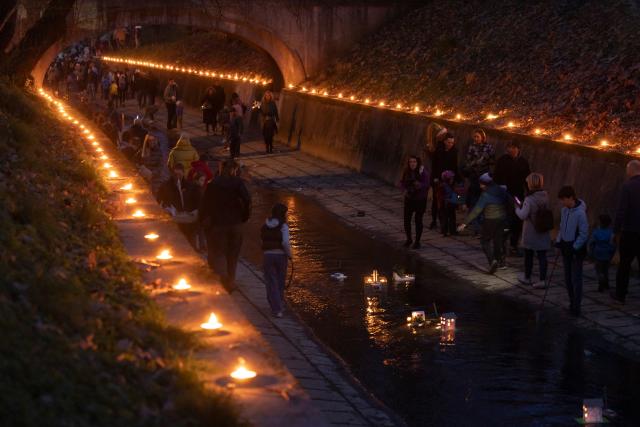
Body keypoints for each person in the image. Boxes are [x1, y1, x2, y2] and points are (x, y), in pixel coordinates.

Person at [199, 160, 252, 291]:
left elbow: (205, 204)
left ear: (221, 169)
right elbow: (247, 200)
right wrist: (244, 217)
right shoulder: (238, 183)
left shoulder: (213, 184)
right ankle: (231, 282)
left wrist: (205, 220)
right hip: (235, 224)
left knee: (220, 254)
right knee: (233, 254)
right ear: (233, 170)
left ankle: (222, 282)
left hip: (218, 224)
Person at [457, 173, 509, 274]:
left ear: (487, 184)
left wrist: (465, 223)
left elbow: (477, 210)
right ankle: (499, 261)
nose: (480, 186)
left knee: (485, 241)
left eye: (482, 184)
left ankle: (492, 261)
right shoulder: (502, 190)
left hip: (490, 219)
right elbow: (510, 201)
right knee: (498, 241)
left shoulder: (485, 195)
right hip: (502, 219)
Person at [555, 186, 589, 316]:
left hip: (575, 251)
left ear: (571, 198)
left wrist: (574, 247)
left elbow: (584, 233)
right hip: (565, 248)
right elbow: (561, 227)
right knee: (567, 278)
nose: (562, 202)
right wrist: (559, 240)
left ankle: (577, 306)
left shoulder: (580, 213)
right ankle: (571, 302)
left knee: (576, 279)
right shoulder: (564, 210)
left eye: (564, 199)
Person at [493, 141, 531, 255]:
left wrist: (529, 192)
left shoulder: (523, 162)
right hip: (505, 195)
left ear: (518, 149)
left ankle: (513, 244)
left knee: (517, 219)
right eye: (509, 147)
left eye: (513, 147)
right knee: (504, 220)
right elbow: (496, 177)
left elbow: (527, 179)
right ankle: (501, 244)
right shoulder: (502, 160)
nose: (511, 150)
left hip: (517, 196)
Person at [515, 173, 551, 288]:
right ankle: (542, 280)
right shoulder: (545, 196)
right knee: (542, 256)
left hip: (531, 231)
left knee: (529, 256)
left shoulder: (529, 199)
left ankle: (527, 277)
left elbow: (523, 215)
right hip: (543, 229)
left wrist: (517, 208)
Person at [613, 160, 640, 303]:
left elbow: (621, 211)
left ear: (631, 170)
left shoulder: (627, 186)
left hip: (630, 231)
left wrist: (615, 230)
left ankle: (620, 294)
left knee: (624, 264)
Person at [261, 203, 292, 318]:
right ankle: (278, 307)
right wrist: (290, 255)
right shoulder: (283, 226)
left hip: (268, 256)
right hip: (280, 256)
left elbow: (262, 240)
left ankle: (275, 306)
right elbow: (285, 243)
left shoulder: (265, 225)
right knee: (280, 281)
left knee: (271, 282)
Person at [430, 132, 458, 229]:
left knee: (448, 202)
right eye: (449, 142)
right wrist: (435, 178)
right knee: (436, 201)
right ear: (445, 141)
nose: (450, 144)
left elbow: (455, 166)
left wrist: (454, 178)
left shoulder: (454, 151)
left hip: (449, 180)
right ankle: (434, 220)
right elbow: (434, 166)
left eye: (452, 143)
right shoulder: (439, 150)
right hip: (437, 179)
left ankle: (445, 223)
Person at [401, 156, 429, 249]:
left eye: (414, 162)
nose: (412, 164)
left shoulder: (422, 172)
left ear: (417, 163)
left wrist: (419, 185)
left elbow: (427, 184)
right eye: (410, 162)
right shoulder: (406, 171)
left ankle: (417, 241)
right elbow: (402, 182)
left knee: (418, 220)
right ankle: (409, 239)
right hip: (409, 199)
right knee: (407, 220)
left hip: (420, 200)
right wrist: (404, 189)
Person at [463, 128, 494, 212]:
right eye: (474, 137)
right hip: (474, 174)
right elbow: (468, 161)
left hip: (484, 175)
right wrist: (476, 162)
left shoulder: (488, 147)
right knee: (473, 193)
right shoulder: (472, 147)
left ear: (482, 137)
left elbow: (492, 161)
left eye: (477, 137)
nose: (476, 139)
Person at [589, 214, 616, 293]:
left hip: (598, 253)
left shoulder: (596, 232)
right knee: (606, 269)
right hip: (607, 254)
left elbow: (591, 243)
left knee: (599, 270)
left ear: (600, 223)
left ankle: (601, 282)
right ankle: (606, 283)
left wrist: (591, 253)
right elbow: (613, 244)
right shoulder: (611, 233)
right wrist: (612, 253)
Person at [440, 170, 462, 236]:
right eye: (451, 178)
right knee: (445, 218)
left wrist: (458, 198)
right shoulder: (443, 186)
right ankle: (444, 231)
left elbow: (457, 194)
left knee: (452, 218)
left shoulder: (453, 186)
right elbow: (441, 196)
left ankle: (452, 231)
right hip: (446, 204)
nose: (452, 179)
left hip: (452, 204)